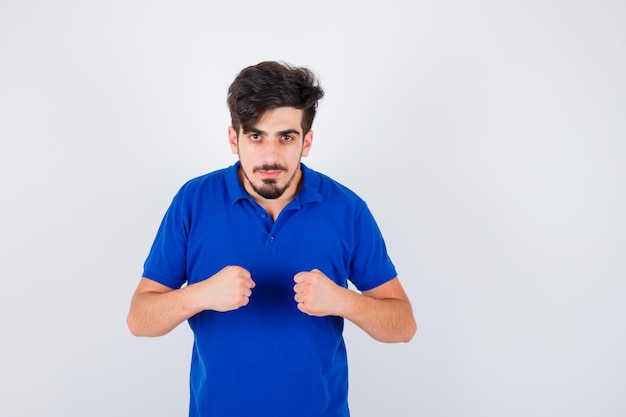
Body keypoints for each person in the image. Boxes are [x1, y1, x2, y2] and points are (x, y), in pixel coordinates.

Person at [127, 60, 417, 417]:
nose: (270, 156)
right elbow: (140, 319)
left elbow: (403, 325)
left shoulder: (347, 208)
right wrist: (201, 294)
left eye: (286, 137)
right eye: (255, 136)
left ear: (306, 142)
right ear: (234, 138)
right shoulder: (193, 201)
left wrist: (344, 301)